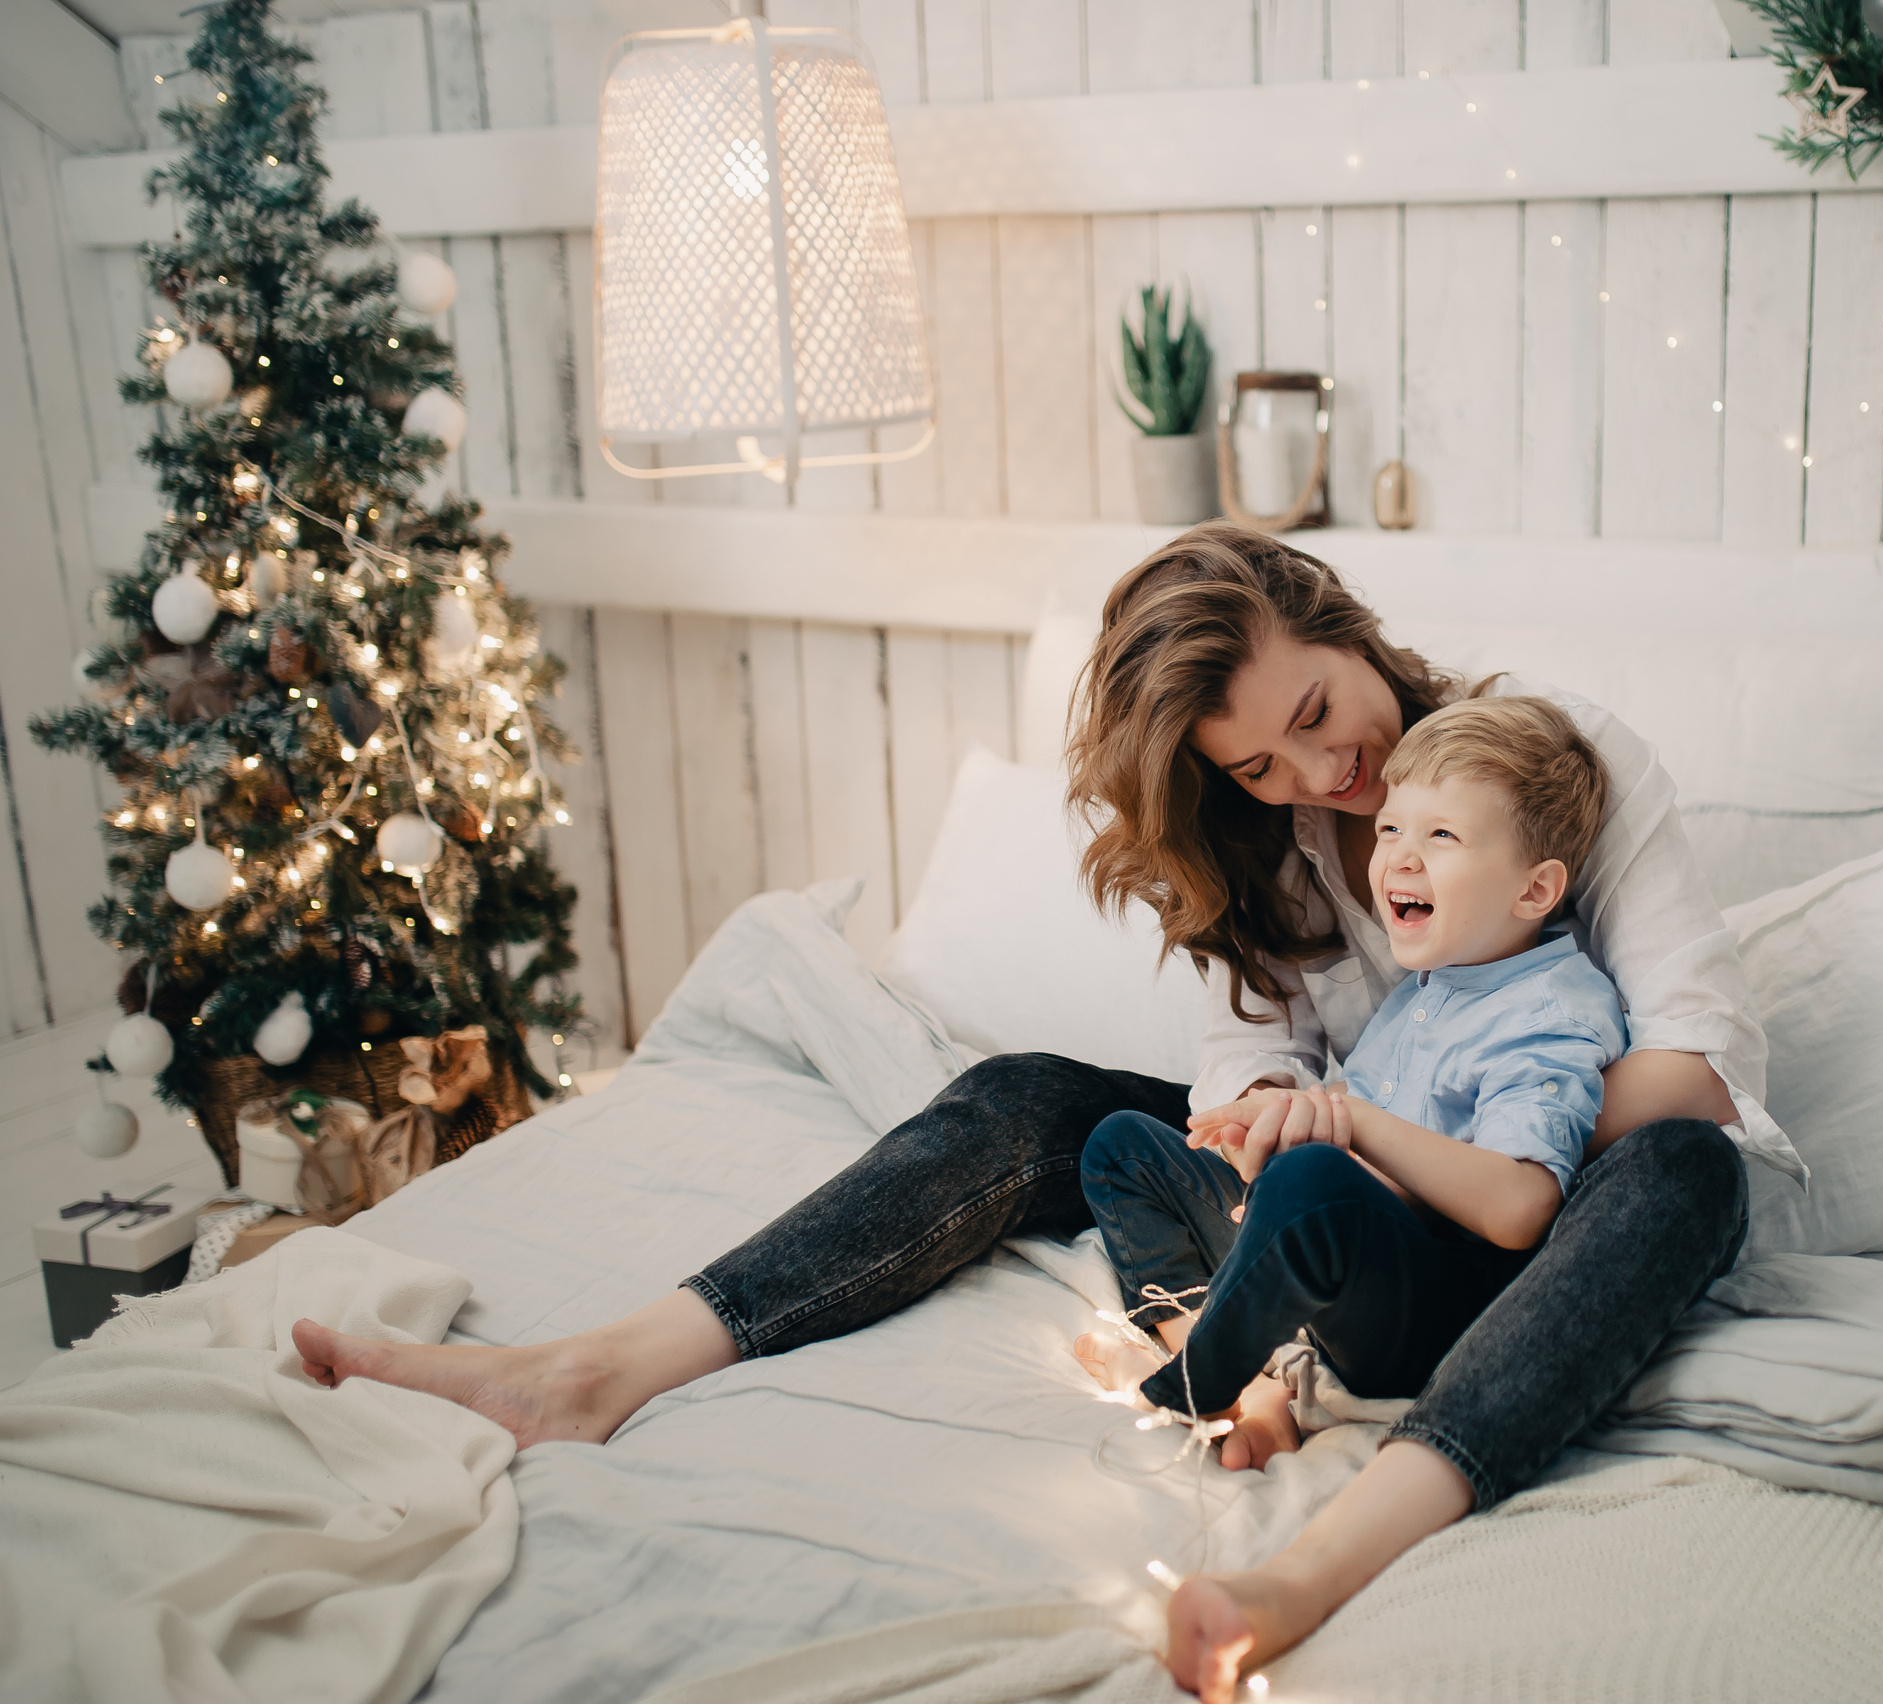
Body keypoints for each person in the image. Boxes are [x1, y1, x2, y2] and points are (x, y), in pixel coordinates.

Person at [290, 522, 1789, 1702]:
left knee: (1681, 1170)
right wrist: (1275, 1121)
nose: (1328, 776)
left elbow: (1702, 1068)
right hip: (1341, 1183)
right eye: (1261, 765)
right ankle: (598, 1369)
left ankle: (1323, 1562)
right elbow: (1239, 1069)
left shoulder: (1560, 765)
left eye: (1323, 714)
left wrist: (1407, 1134)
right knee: (1023, 1096)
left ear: (1342, 624)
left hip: (1512, 1206)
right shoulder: (1271, 842)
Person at [1073, 697, 1626, 1442]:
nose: (1398, 855)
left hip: (1428, 1311)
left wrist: (1351, 1132)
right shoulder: (1427, 990)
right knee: (1125, 1146)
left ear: (1534, 890)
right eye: (1392, 828)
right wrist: (1279, 1132)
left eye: (1442, 835)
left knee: (1312, 1184)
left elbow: (1519, 1206)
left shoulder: (1551, 1008)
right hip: (1334, 1248)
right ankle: (1230, 1359)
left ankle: (1191, 1386)